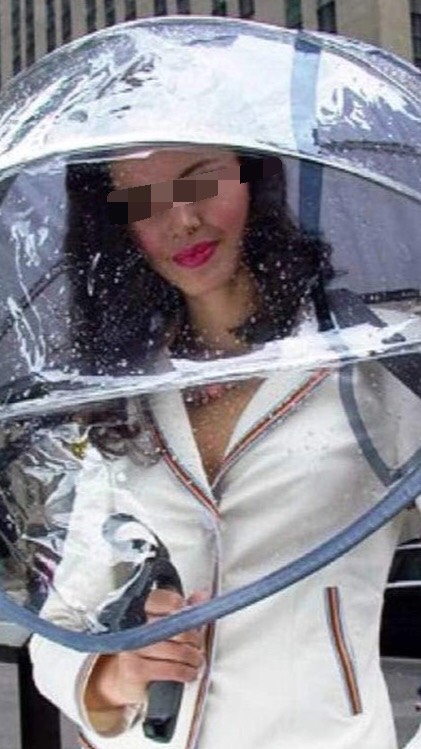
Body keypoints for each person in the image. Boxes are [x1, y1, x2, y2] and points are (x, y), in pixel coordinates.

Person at [28, 143, 421, 749]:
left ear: (253, 179)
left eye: (201, 182)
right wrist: (113, 675)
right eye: (143, 201)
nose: (182, 219)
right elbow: (64, 617)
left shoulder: (373, 361)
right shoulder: (123, 394)